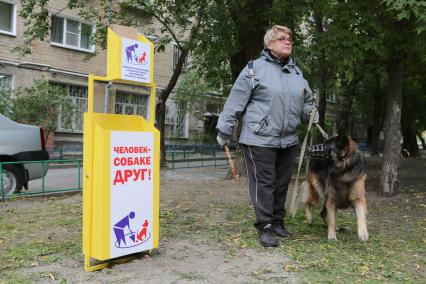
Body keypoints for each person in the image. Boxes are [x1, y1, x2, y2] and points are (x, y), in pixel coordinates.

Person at [216, 25, 318, 247]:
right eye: (281, 38)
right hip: (258, 138)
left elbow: (307, 99)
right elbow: (235, 101)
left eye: (289, 38)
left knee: (282, 183)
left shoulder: (296, 73)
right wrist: (225, 130)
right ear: (269, 44)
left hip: (288, 139)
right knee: (265, 183)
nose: (288, 41)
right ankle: (265, 226)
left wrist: (311, 113)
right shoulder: (254, 69)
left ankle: (278, 222)